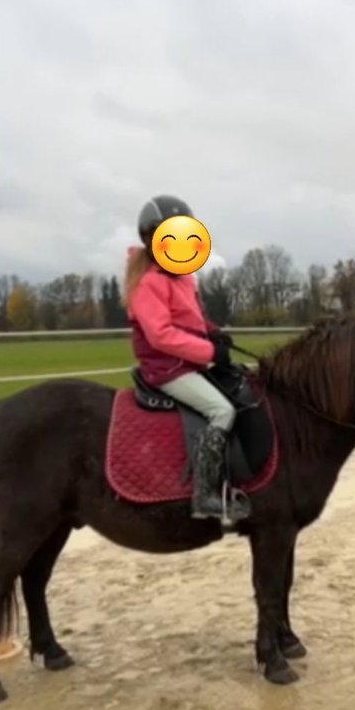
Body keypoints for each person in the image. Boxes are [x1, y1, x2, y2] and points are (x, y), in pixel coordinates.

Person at [125, 194, 249, 521]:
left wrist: (214, 333)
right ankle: (205, 493)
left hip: (189, 363)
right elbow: (161, 335)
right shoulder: (149, 283)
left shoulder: (183, 279)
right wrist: (211, 352)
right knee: (221, 410)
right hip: (167, 369)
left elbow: (192, 321)